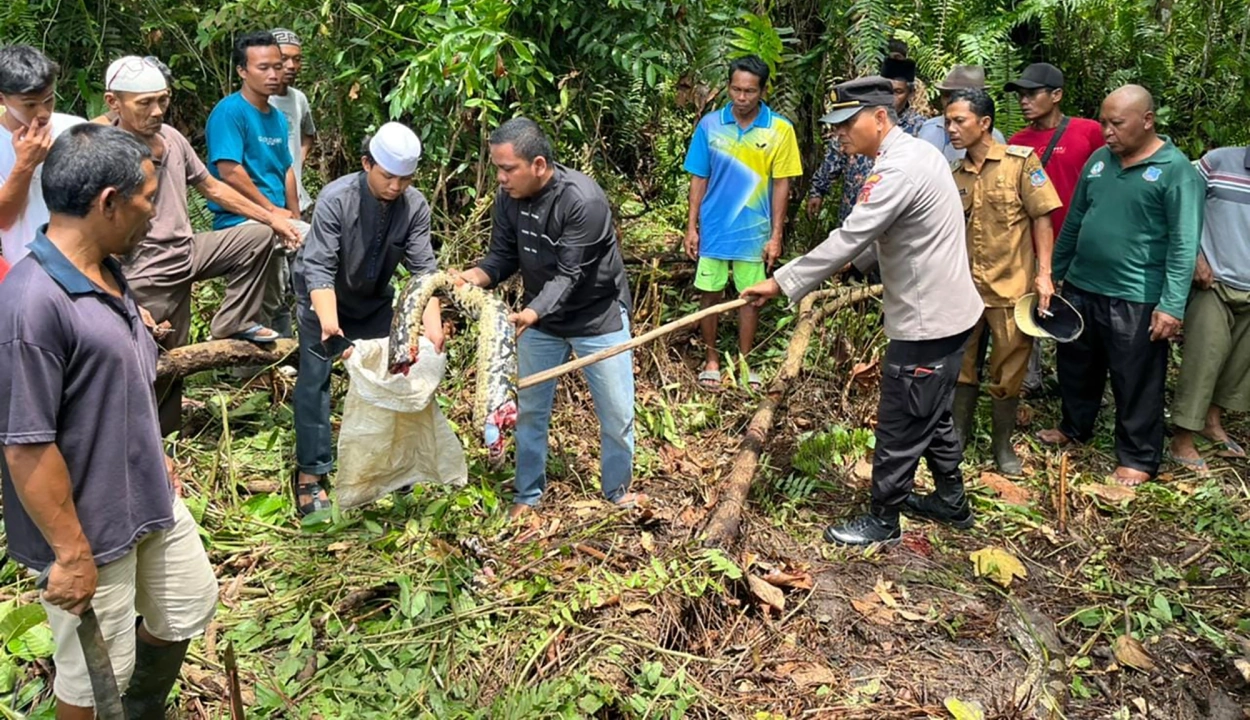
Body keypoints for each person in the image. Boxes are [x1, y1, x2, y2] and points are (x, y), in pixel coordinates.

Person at [0, 123, 217, 720]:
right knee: (95, 679)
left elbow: (118, 387)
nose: (155, 210)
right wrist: (71, 555)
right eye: (148, 196)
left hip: (147, 497)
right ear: (108, 203)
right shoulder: (32, 304)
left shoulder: (109, 274)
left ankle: (142, 709)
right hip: (90, 526)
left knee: (187, 605)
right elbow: (25, 446)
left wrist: (156, 453)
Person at [741, 77, 984, 546]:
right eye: (835, 127)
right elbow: (896, 230)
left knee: (901, 417)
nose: (840, 136)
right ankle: (951, 501)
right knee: (930, 412)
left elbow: (851, 235)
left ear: (879, 118)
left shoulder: (897, 169)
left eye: (847, 124)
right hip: (949, 313)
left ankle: (883, 518)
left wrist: (781, 282)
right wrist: (856, 266)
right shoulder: (916, 154)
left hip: (927, 321)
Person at [455, 118, 642, 519]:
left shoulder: (583, 201)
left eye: (508, 169)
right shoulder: (508, 198)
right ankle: (527, 494)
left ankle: (619, 491)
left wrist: (531, 311)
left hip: (598, 317)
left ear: (538, 165)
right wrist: (469, 279)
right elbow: (502, 258)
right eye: (497, 169)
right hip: (540, 321)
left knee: (616, 413)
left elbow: (570, 274)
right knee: (530, 411)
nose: (501, 178)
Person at [104, 56, 300, 434]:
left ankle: (234, 320)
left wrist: (272, 217)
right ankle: (155, 443)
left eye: (162, 99)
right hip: (145, 267)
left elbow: (211, 187)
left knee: (257, 236)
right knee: (162, 361)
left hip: (188, 250)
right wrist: (119, 291)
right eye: (144, 103)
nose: (157, 110)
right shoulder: (108, 150)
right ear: (114, 102)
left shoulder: (174, 139)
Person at [1038, 85, 1204, 487]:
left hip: (1136, 295)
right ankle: (1075, 427)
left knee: (1136, 379)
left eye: (1117, 123)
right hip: (1082, 285)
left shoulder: (1175, 170)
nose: (1107, 132)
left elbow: (1185, 242)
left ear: (1147, 121)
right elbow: (1075, 219)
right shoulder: (1099, 161)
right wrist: (1055, 272)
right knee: (1077, 365)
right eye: (1103, 122)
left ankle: (1137, 457)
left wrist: (1172, 305)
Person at [291, 123, 442, 516]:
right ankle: (311, 473)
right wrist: (328, 322)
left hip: (375, 301)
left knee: (395, 375)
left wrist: (433, 327)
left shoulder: (414, 206)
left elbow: (424, 271)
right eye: (388, 176)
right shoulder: (336, 198)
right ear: (366, 164)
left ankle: (390, 465)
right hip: (323, 299)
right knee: (314, 381)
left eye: (405, 179)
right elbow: (319, 267)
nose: (396, 187)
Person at [946, 88, 1062, 474]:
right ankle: (957, 439)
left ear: (985, 123)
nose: (951, 128)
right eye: (948, 121)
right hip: (964, 290)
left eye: (959, 120)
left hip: (1011, 287)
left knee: (1009, 368)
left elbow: (1042, 216)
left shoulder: (1020, 163)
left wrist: (1044, 275)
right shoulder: (955, 174)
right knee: (962, 365)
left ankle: (1002, 446)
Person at [683, 55, 802, 389]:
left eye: (750, 91)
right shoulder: (710, 125)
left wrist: (776, 235)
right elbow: (698, 179)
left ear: (762, 90)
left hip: (754, 230)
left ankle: (744, 363)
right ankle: (711, 360)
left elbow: (782, 185)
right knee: (709, 294)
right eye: (736, 89)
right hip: (715, 228)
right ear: (729, 87)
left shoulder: (780, 130)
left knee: (750, 297)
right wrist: (691, 227)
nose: (742, 97)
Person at [1004, 63, 1106, 395]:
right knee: (1032, 308)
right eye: (1021, 95)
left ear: (1057, 95)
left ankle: (1083, 388)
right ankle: (1030, 381)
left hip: (1081, 245)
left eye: (1032, 93)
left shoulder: (1088, 132)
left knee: (1082, 315)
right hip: (1032, 245)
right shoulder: (1017, 142)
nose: (1024, 101)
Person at [206, 30, 300, 336]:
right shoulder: (229, 112)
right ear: (242, 71)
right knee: (262, 299)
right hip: (243, 220)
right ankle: (248, 372)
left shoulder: (276, 116)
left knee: (283, 290)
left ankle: (285, 363)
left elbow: (285, 168)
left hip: (277, 218)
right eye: (264, 68)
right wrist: (271, 211)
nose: (274, 74)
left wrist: (293, 214)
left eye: (278, 65)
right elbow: (229, 170)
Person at [1167, 145, 1250, 473]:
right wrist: (1195, 256)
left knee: (1239, 363)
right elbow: (1180, 205)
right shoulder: (1217, 162)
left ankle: (1210, 422)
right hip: (1213, 281)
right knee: (1205, 356)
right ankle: (1182, 437)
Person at [807, 57, 925, 225]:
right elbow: (834, 156)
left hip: (892, 220)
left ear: (911, 94)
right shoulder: (855, 122)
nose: (891, 99)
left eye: (898, 92)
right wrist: (817, 190)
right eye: (887, 92)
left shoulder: (919, 128)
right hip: (853, 213)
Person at [0, 45, 84, 266]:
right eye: (30, 105)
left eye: (49, 100)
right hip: (27, 268)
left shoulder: (75, 130)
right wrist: (25, 164)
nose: (43, 113)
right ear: (2, 99)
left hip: (85, 263)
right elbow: (2, 219)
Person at [268, 28, 317, 216]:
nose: (291, 65)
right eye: (284, 58)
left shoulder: (299, 99)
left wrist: (299, 160)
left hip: (298, 201)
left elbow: (308, 134)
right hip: (269, 204)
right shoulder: (258, 102)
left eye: (297, 59)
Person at [917, 65, 1004, 163]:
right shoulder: (929, 129)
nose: (949, 102)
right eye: (946, 95)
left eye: (958, 96)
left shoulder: (994, 136)